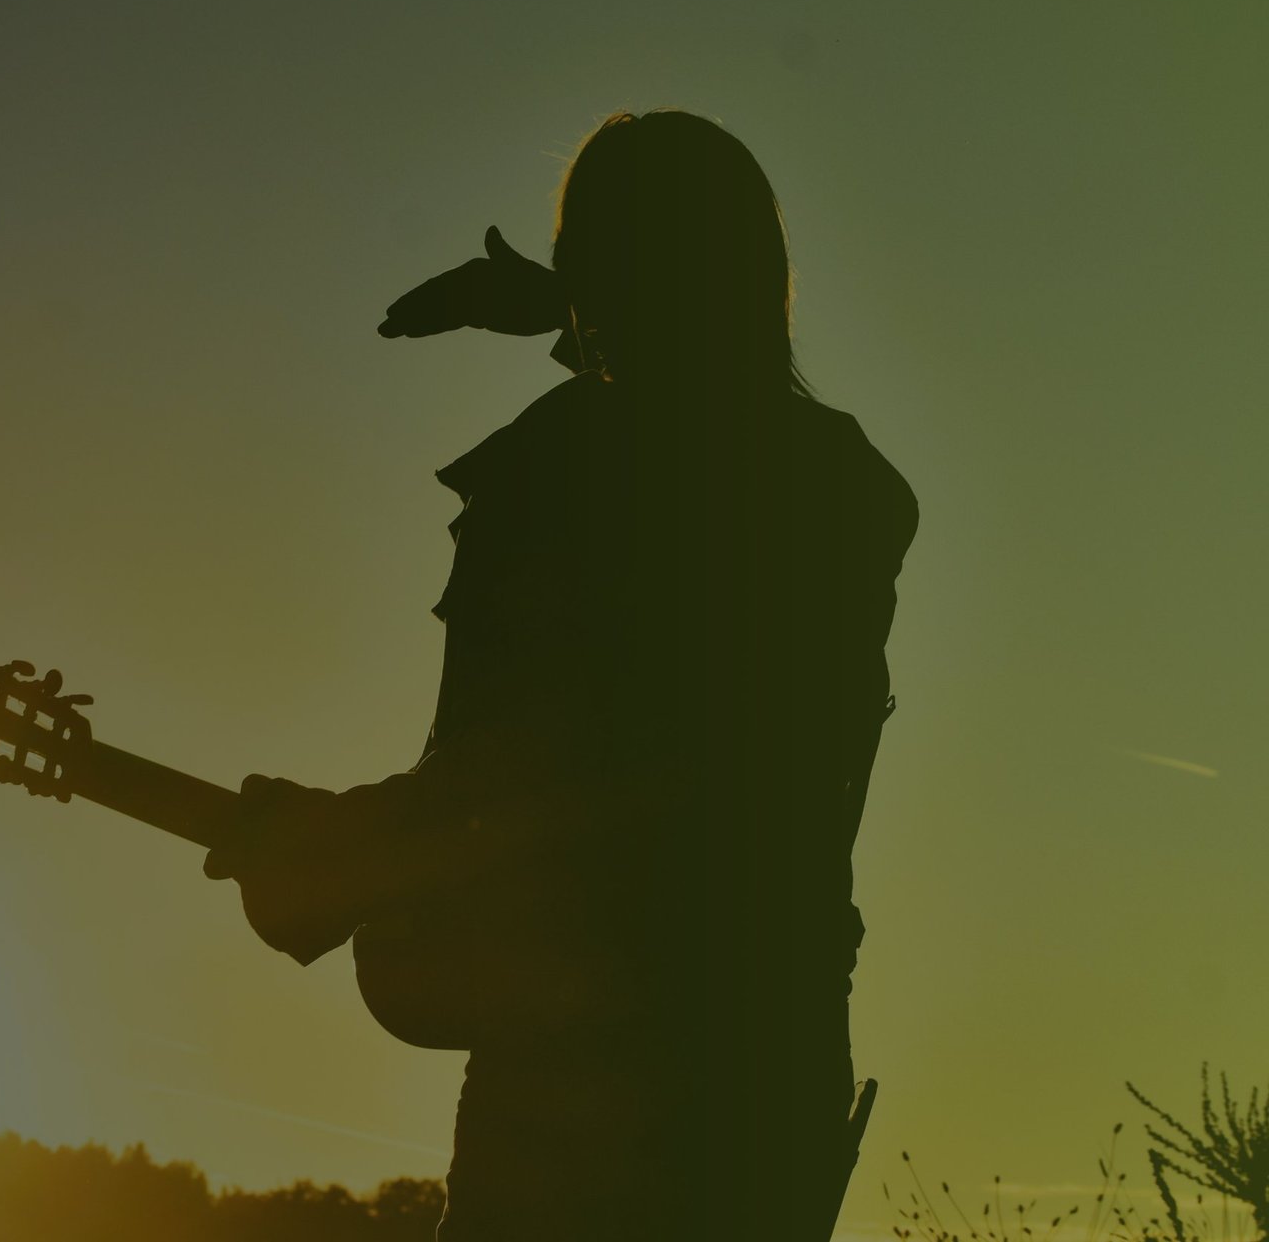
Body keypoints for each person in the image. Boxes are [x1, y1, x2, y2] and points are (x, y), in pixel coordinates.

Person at [203, 110, 920, 1239]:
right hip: (773, 1078)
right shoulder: (847, 486)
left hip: (576, 1096)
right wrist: (564, 300)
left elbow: (519, 764)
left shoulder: (559, 470)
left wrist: (334, 844)